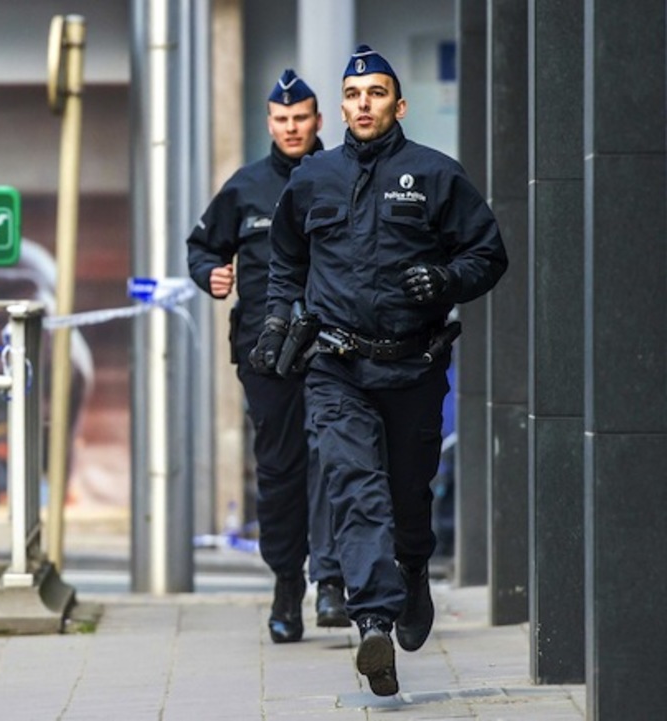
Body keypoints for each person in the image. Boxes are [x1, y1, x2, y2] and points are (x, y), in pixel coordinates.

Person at [253, 46, 507, 694]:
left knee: (406, 500)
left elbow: (489, 251)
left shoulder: (436, 175)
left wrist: (448, 276)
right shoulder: (313, 180)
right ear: (340, 107)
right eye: (354, 93)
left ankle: (413, 568)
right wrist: (281, 318)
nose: (364, 103)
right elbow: (285, 257)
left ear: (400, 104)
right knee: (353, 488)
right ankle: (373, 622)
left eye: (376, 92)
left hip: (413, 368)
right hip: (337, 366)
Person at [187, 69, 348, 644]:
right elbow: (202, 245)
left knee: (333, 455)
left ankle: (332, 581)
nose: (291, 128)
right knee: (281, 472)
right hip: (266, 352)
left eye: (300, 117)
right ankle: (287, 585)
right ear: (269, 123)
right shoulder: (245, 186)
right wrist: (212, 273)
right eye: (281, 120)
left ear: (318, 120)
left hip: (335, 346)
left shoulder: (344, 174)